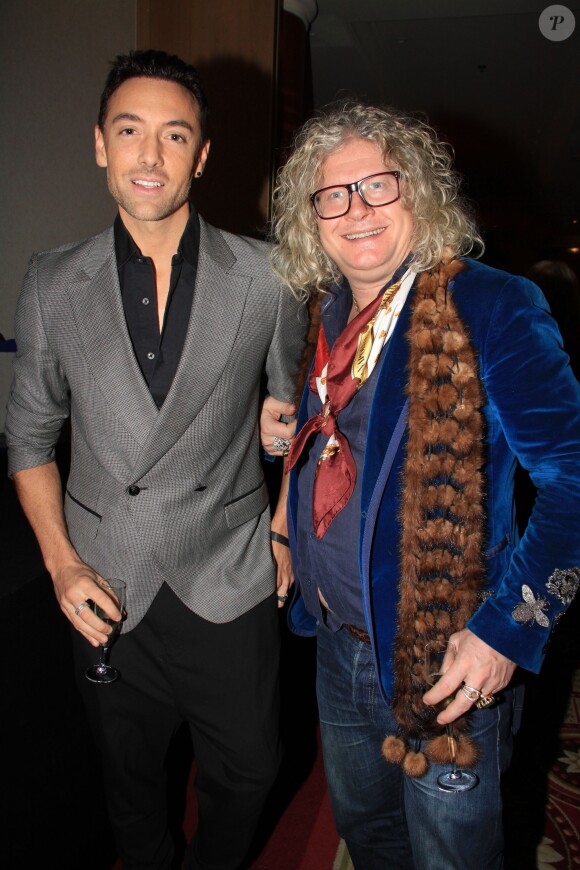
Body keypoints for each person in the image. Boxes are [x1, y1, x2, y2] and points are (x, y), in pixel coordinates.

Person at [5, 49, 307, 870]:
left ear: (202, 155)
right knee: (127, 782)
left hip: (230, 568)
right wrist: (63, 567)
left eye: (175, 136)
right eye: (129, 131)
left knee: (250, 770)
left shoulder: (269, 277)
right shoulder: (52, 284)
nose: (150, 155)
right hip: (108, 578)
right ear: (100, 143)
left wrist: (283, 529)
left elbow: (301, 420)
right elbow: (29, 439)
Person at [261, 102, 580, 868]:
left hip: (447, 658)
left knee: (450, 855)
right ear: (312, 216)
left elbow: (574, 481)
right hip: (336, 643)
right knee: (370, 837)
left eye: (379, 186)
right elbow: (340, 434)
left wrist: (508, 630)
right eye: (333, 195)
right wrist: (289, 466)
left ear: (422, 193)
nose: (357, 210)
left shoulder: (492, 305)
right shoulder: (330, 307)